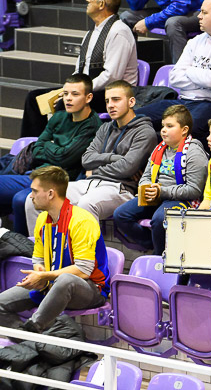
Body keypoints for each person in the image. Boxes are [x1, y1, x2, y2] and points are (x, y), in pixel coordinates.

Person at [24, 81, 157, 225]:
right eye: (107, 101)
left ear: (131, 102)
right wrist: (114, 158)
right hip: (89, 183)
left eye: (116, 100)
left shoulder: (144, 132)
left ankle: (86, 241)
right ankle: (41, 240)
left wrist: (95, 170)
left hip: (120, 188)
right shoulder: (105, 128)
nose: (110, 105)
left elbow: (126, 168)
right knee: (36, 197)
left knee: (86, 204)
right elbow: (86, 159)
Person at [0, 166, 110, 333]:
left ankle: (34, 329)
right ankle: (26, 339)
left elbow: (83, 270)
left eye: (35, 191)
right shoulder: (43, 219)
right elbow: (38, 257)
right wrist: (40, 271)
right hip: (51, 282)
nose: (31, 196)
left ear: (51, 194)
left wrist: (45, 276)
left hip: (91, 288)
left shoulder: (82, 221)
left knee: (65, 280)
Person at [20, 0, 138, 138]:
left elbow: (112, 76)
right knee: (34, 98)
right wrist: (68, 89)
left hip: (112, 93)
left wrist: (77, 92)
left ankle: (63, 147)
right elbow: (79, 70)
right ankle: (31, 147)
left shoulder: (118, 32)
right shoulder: (92, 32)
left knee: (66, 102)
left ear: (101, 4)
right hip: (89, 89)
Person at [134, 0, 211, 142]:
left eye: (204, 12)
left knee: (177, 133)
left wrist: (190, 71)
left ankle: (154, 153)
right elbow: (174, 77)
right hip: (184, 101)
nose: (199, 16)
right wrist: (206, 73)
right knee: (135, 119)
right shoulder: (196, 40)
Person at [0, 75, 101, 236]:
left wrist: (48, 146)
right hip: (35, 173)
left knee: (20, 198)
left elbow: (64, 158)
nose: (68, 98)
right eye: (65, 94)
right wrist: (55, 149)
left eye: (75, 94)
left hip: (57, 179)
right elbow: (37, 148)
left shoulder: (92, 126)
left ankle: (22, 246)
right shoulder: (59, 117)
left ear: (88, 97)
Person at [112, 105, 207, 254]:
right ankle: (153, 245)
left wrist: (161, 191)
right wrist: (147, 187)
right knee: (120, 214)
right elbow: (146, 176)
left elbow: (194, 190)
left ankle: (159, 256)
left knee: (159, 219)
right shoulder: (159, 149)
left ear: (184, 130)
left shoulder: (194, 153)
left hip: (181, 200)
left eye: (169, 126)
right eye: (163, 126)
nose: (163, 130)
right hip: (156, 195)